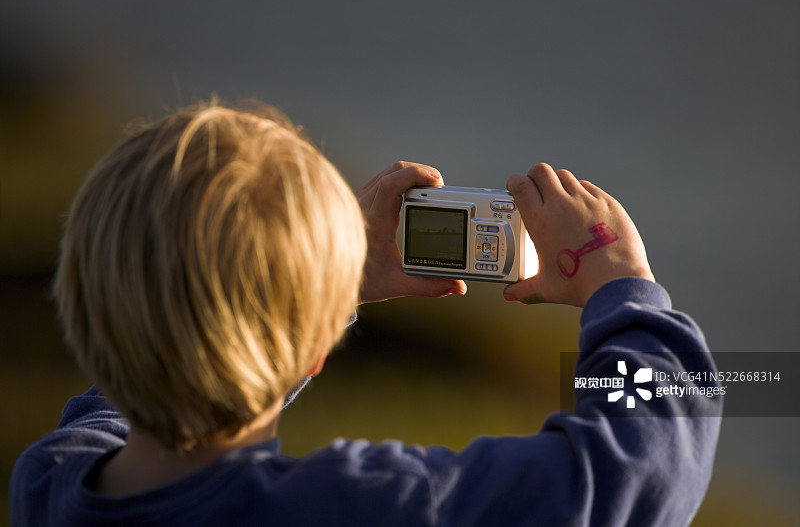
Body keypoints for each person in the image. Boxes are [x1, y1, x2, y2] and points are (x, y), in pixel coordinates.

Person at [9, 99, 721, 526]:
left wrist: (322, 288)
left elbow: (123, 405)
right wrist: (621, 286)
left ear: (84, 315)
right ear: (317, 350)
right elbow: (627, 480)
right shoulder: (348, 505)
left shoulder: (48, 482)